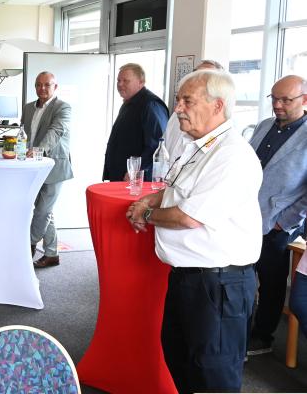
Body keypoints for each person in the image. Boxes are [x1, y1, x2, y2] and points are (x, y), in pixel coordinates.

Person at [126, 69, 262, 393]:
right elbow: (177, 190)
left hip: (218, 284)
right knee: (182, 363)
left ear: (218, 106)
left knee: (212, 377)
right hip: (191, 278)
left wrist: (148, 214)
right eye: (178, 100)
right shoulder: (199, 145)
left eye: (187, 101)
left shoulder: (232, 154)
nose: (178, 109)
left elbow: (189, 216)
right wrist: (150, 199)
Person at [245, 75, 307, 356]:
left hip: (279, 223)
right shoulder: (264, 125)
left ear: (304, 101)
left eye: (286, 100)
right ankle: (240, 330)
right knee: (243, 278)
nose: (278, 105)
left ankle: (263, 336)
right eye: (274, 98)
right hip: (245, 215)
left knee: (271, 283)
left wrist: (285, 222)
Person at [22, 72, 73, 268]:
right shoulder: (28, 108)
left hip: (54, 165)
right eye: (38, 85)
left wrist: (38, 150)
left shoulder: (63, 107)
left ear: (55, 87)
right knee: (46, 210)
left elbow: (56, 131)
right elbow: (26, 134)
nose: (42, 88)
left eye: (47, 85)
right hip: (33, 167)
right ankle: (52, 253)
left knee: (43, 211)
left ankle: (28, 244)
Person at [103, 63, 168, 182]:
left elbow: (156, 145)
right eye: (118, 80)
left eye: (126, 81)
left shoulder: (151, 105)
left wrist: (136, 170)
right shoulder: (129, 103)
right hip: (121, 176)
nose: (120, 84)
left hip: (135, 180)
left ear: (141, 82)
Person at [163, 59, 224, 158]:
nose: (178, 108)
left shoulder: (220, 136)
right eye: (195, 75)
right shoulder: (176, 116)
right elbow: (164, 150)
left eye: (204, 78)